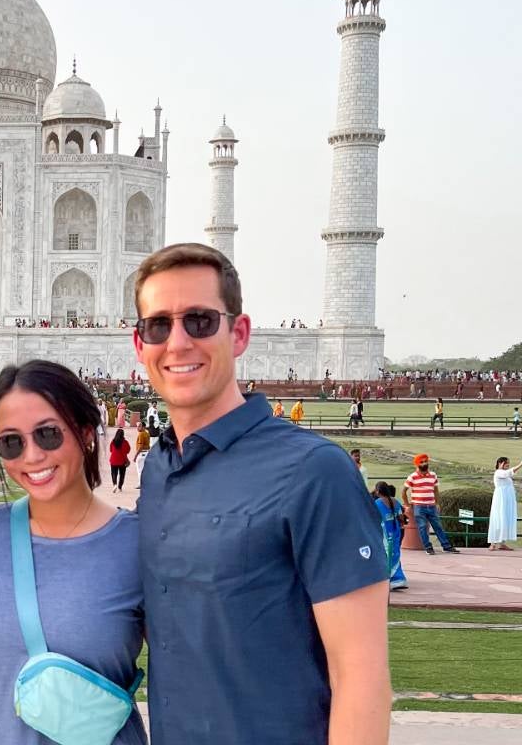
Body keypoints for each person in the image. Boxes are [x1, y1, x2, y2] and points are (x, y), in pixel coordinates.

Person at [131, 242, 390, 744]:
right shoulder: (161, 467)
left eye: (200, 321)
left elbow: (362, 678)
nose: (178, 342)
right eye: (158, 325)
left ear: (240, 332)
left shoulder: (314, 472)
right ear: (139, 344)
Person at [0, 361, 146, 744]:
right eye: (12, 442)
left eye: (49, 434)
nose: (33, 455)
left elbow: (187, 674)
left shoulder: (136, 545)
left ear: (86, 432)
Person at [403, 453, 460, 555]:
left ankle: (446, 546)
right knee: (422, 527)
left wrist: (437, 503)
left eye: (425, 461)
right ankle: (428, 547)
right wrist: (407, 505)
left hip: (431, 506)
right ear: (417, 464)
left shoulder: (433, 475)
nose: (424, 463)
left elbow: (436, 490)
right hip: (419, 507)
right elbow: (404, 491)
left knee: (438, 526)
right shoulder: (412, 477)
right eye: (421, 462)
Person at [372, 482, 408, 590]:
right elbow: (401, 517)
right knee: (394, 554)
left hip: (385, 532)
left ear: (378, 491)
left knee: (386, 554)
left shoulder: (377, 502)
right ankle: (397, 578)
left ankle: (393, 579)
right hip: (395, 530)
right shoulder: (395, 501)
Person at [488, 456, 520, 550]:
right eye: (506, 463)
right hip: (500, 500)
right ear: (500, 463)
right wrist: (520, 464)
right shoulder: (498, 472)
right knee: (498, 518)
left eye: (508, 463)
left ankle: (501, 543)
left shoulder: (504, 473)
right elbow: (507, 473)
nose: (508, 464)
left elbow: (509, 473)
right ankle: (493, 543)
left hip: (506, 500)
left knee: (504, 519)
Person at [109, 427, 132, 492]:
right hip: (122, 461)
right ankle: (120, 487)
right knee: (122, 474)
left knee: (113, 473)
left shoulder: (113, 441)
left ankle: (114, 485)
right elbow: (128, 450)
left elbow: (110, 450)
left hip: (113, 460)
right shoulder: (125, 442)